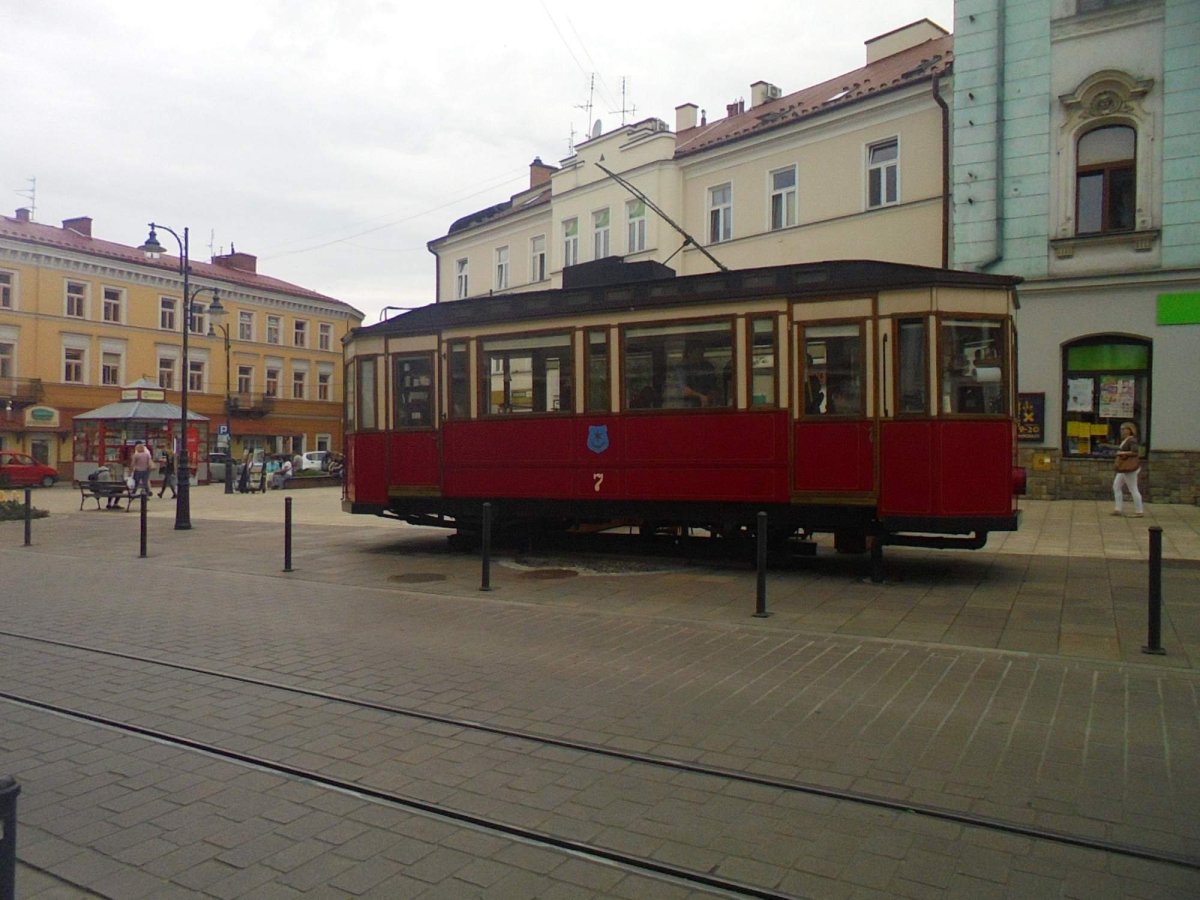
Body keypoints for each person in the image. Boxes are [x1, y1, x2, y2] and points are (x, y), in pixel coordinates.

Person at [671, 340, 720, 408]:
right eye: (698, 354)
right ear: (689, 353)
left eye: (702, 354)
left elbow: (713, 386)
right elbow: (683, 390)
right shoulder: (681, 368)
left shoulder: (707, 366)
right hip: (687, 407)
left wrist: (711, 396)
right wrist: (700, 396)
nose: (701, 357)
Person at [1111, 421, 1144, 517]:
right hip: (1123, 468)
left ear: (1130, 430)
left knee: (1133, 488)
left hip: (1129, 467)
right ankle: (1118, 509)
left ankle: (1139, 510)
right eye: (1121, 429)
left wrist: (1121, 453)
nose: (1122, 431)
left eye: (1124, 429)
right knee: (1116, 486)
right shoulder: (1125, 440)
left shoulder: (1132, 440)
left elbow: (1135, 452)